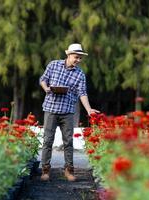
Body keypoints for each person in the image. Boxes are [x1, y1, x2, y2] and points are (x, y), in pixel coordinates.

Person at [39, 43, 99, 181]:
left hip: (67, 111)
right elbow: (43, 79)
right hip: (51, 109)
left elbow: (82, 93)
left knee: (68, 142)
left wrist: (89, 109)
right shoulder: (53, 65)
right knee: (48, 140)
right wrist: (46, 88)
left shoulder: (80, 74)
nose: (78, 60)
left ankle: (69, 170)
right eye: (76, 57)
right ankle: (45, 171)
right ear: (69, 55)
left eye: (80, 58)